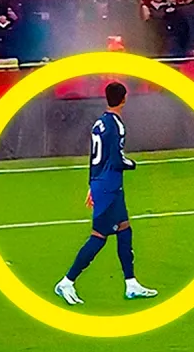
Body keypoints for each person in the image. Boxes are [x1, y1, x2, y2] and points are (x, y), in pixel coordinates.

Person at [54, 82, 158, 305]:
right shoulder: (116, 125)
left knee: (124, 229)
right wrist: (131, 164)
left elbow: (94, 158)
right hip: (109, 187)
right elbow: (117, 159)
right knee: (99, 237)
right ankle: (67, 281)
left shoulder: (99, 122)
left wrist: (92, 185)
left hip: (104, 184)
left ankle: (131, 283)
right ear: (124, 99)